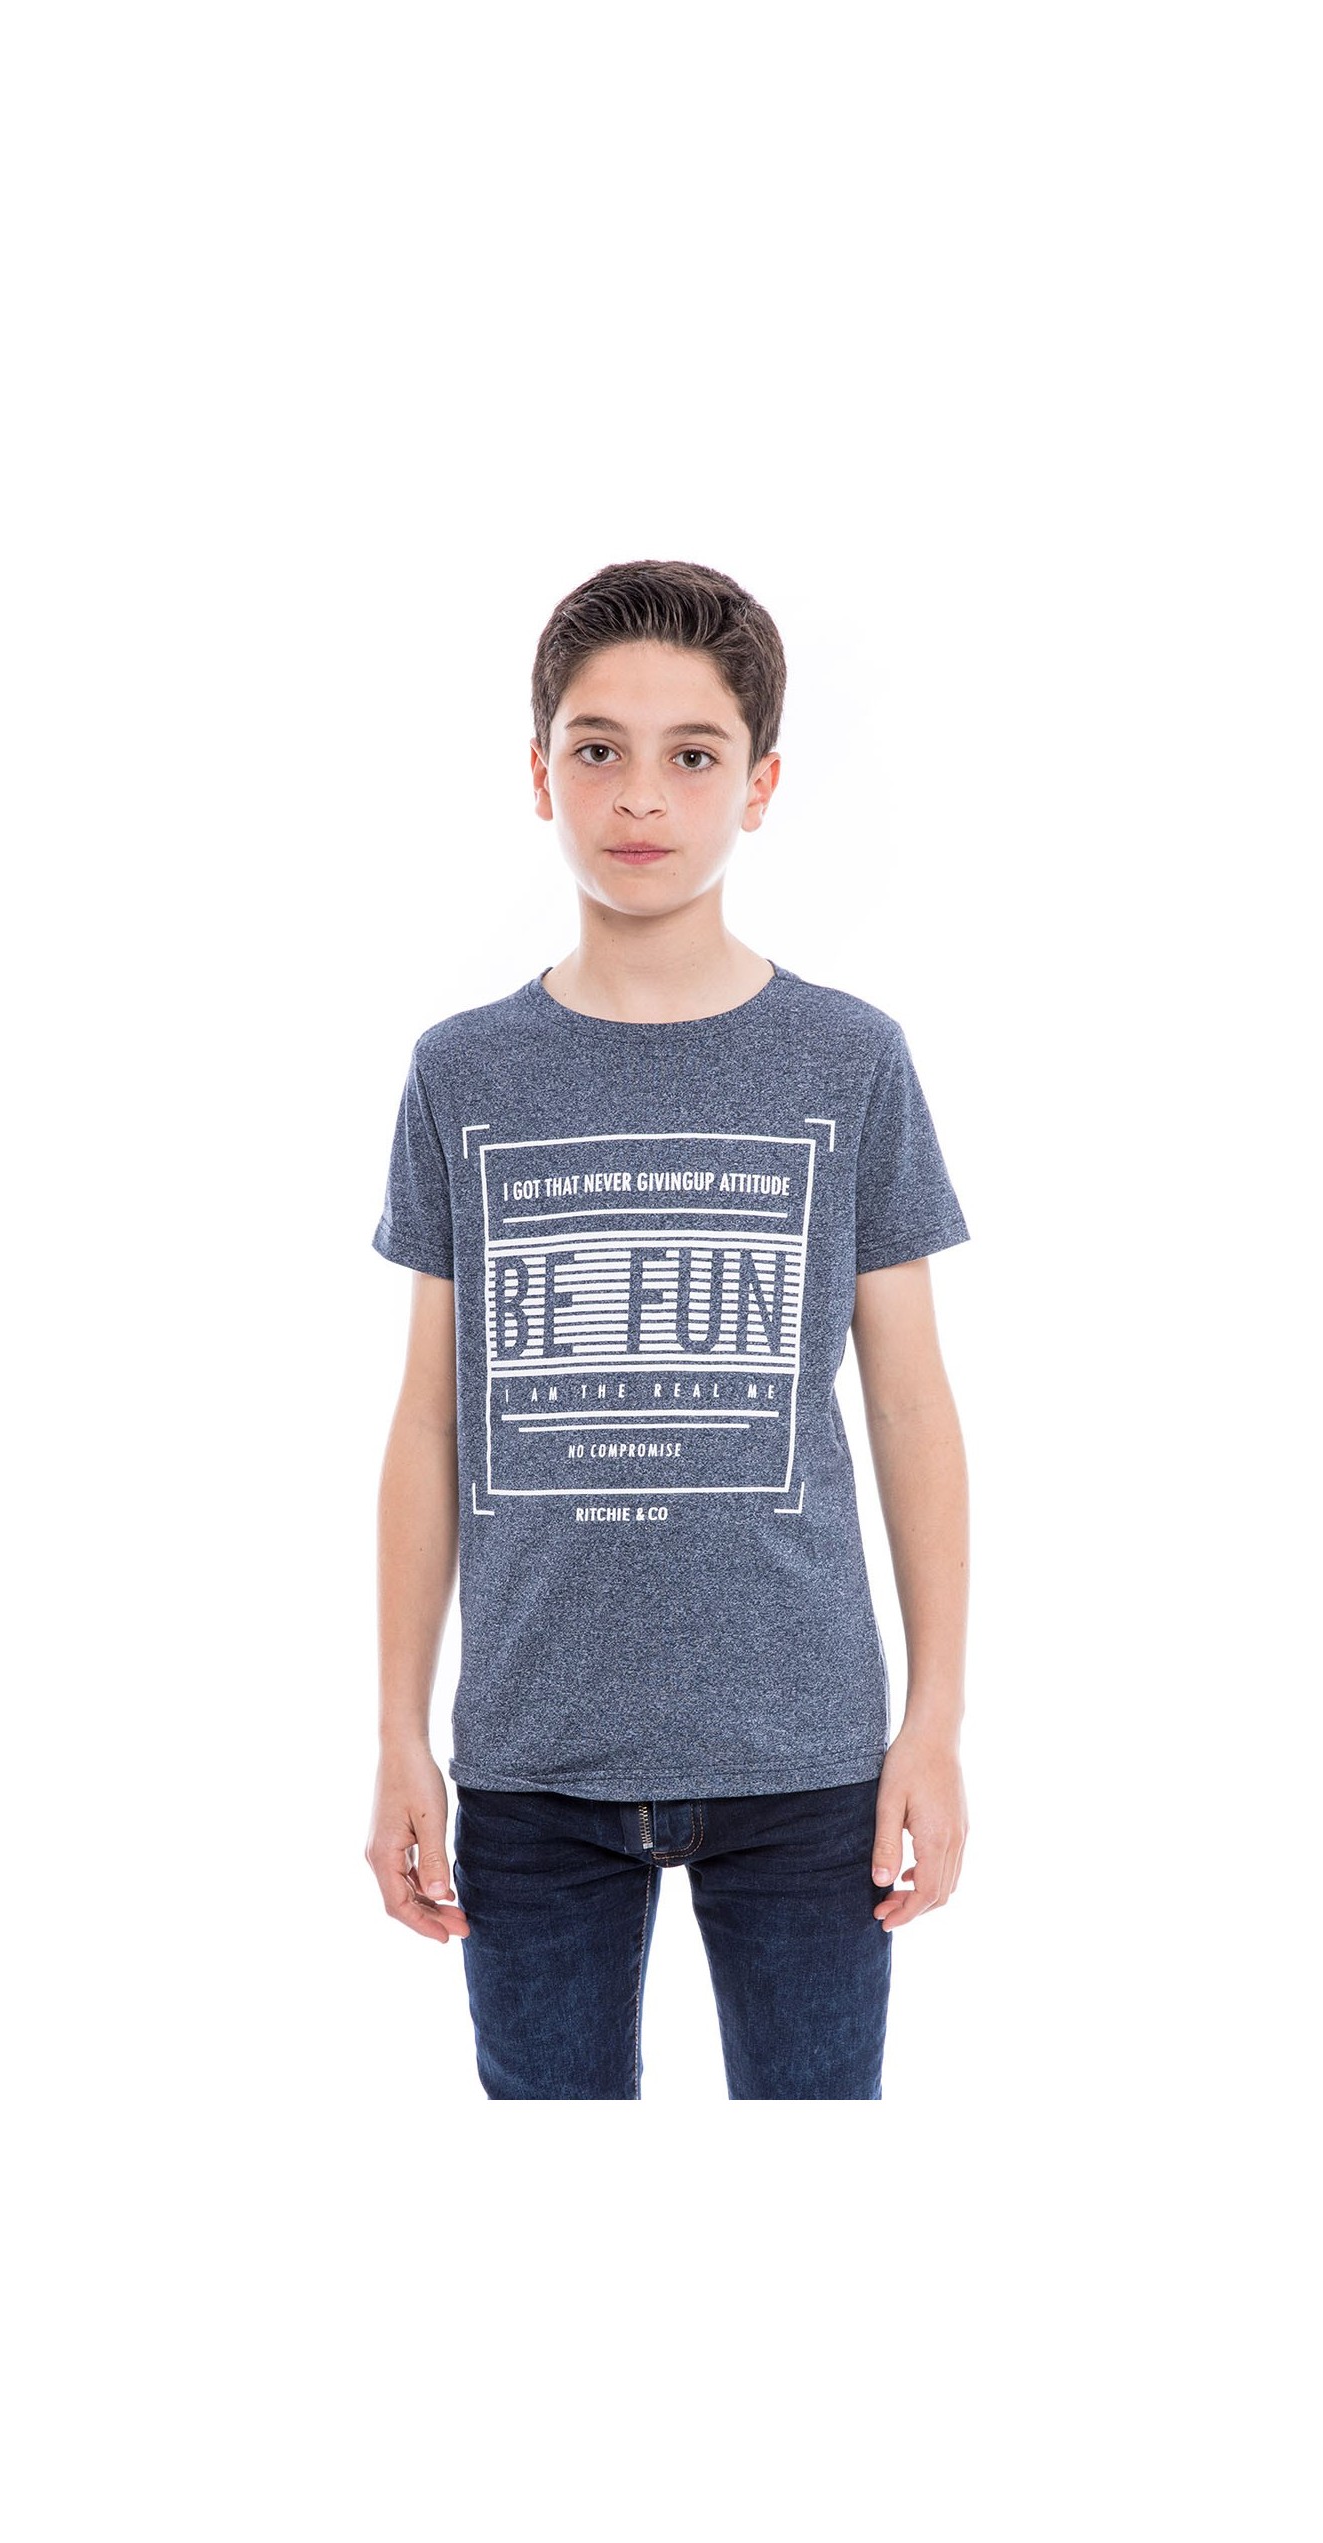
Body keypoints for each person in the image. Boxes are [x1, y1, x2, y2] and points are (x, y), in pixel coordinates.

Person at [365, 559, 972, 2100]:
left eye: (693, 754)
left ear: (759, 784)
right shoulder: (462, 1073)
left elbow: (911, 1406)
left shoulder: (849, 1059)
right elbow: (430, 1418)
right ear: (540, 773)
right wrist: (397, 1733)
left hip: (808, 1762)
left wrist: (936, 1722)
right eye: (598, 748)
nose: (641, 795)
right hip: (533, 1761)